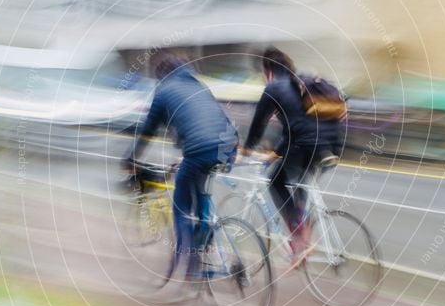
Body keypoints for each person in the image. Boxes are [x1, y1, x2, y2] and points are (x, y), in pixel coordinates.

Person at [123, 50, 238, 280]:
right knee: (201, 190)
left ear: (162, 75)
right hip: (227, 145)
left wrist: (130, 159)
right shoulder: (199, 86)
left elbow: (148, 130)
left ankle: (192, 265)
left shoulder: (164, 90)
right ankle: (205, 237)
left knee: (182, 208)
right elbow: (206, 121)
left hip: (199, 149)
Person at [241, 47, 344, 263]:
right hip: (331, 146)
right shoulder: (301, 85)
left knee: (275, 182)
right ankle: (302, 238)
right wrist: (276, 153)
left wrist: (246, 150)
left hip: (305, 145)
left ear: (267, 69)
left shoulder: (274, 88)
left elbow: (259, 124)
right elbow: (299, 125)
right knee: (299, 182)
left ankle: (299, 238)